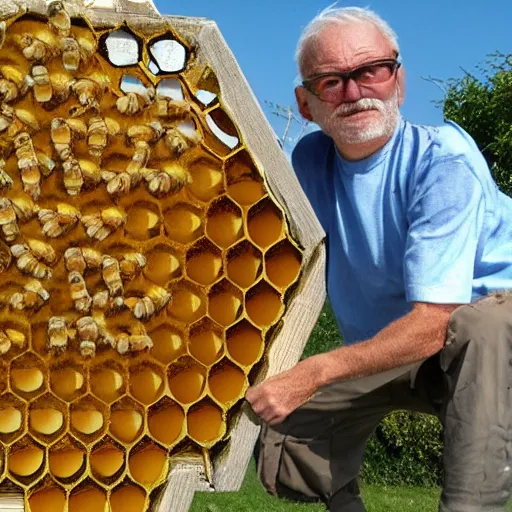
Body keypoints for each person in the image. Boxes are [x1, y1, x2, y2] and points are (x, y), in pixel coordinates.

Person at [245, 6, 512, 512]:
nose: (355, 92)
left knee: (486, 324)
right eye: (331, 81)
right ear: (305, 104)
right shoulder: (308, 164)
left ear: (399, 81)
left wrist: (314, 371)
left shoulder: (444, 163)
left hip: (480, 345)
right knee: (287, 435)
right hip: (393, 347)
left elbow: (437, 323)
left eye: (371, 71)